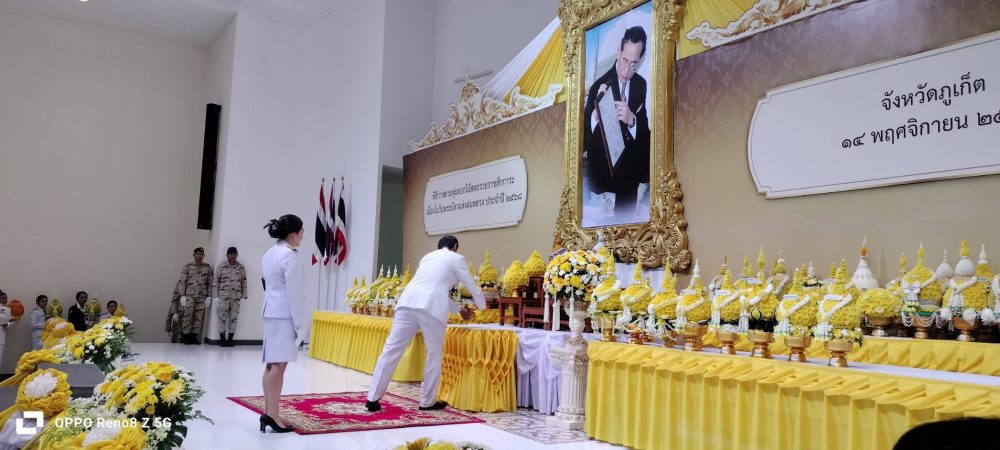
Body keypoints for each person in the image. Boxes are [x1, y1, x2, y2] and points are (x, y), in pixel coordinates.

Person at [366, 235, 485, 412]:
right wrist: (483, 308)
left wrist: (458, 309)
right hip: (431, 308)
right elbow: (471, 286)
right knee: (433, 354)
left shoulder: (427, 257)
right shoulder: (456, 258)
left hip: (407, 303)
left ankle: (372, 398)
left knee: (390, 349)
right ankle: (427, 402)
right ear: (455, 246)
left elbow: (431, 286)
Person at [583, 26, 650, 224]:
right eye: (624, 60)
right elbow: (584, 136)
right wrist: (595, 119)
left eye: (633, 64)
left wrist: (632, 120)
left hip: (630, 183)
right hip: (604, 184)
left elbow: (645, 134)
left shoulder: (641, 85)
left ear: (641, 59)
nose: (626, 70)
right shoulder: (598, 86)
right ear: (619, 51)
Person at [259, 214, 307, 433]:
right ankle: (272, 414)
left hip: (270, 311)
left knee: (271, 364)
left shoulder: (270, 253)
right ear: (292, 234)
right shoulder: (290, 255)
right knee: (279, 365)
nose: (303, 235)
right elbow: (295, 294)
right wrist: (300, 325)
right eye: (301, 231)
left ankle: (268, 411)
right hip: (283, 314)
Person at [167, 247, 214, 344]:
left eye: (201, 254)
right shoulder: (187, 266)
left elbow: (210, 283)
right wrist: (182, 295)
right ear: (194, 255)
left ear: (204, 255)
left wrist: (209, 296)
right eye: (197, 254)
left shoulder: (208, 268)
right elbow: (182, 281)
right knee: (187, 316)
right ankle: (186, 336)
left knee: (199, 317)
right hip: (189, 296)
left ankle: (193, 336)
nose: (199, 256)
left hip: (202, 296)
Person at [213, 246, 248, 347]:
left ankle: (230, 339)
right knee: (222, 318)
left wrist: (244, 296)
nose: (233, 256)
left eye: (234, 254)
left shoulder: (241, 268)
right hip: (223, 297)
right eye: (231, 254)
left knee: (233, 318)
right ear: (227, 255)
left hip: (236, 298)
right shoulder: (221, 267)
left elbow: (244, 282)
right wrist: (215, 296)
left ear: (237, 255)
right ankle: (222, 339)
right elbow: (216, 282)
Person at [0, 292, 11, 360]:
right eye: (3, 298)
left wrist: (8, 324)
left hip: (1, 335)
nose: (5, 300)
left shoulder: (7, 309)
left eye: (6, 298)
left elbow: (11, 320)